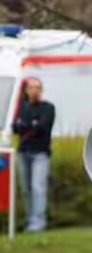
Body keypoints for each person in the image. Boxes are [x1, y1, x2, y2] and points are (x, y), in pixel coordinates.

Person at [11, 77, 55, 232]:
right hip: (23, 152)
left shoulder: (48, 108)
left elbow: (43, 127)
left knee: (38, 187)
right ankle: (30, 219)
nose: (35, 90)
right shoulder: (21, 108)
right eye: (31, 87)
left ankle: (39, 221)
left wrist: (27, 125)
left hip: (40, 153)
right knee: (25, 188)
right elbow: (15, 127)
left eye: (37, 87)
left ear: (41, 90)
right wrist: (31, 125)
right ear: (26, 90)